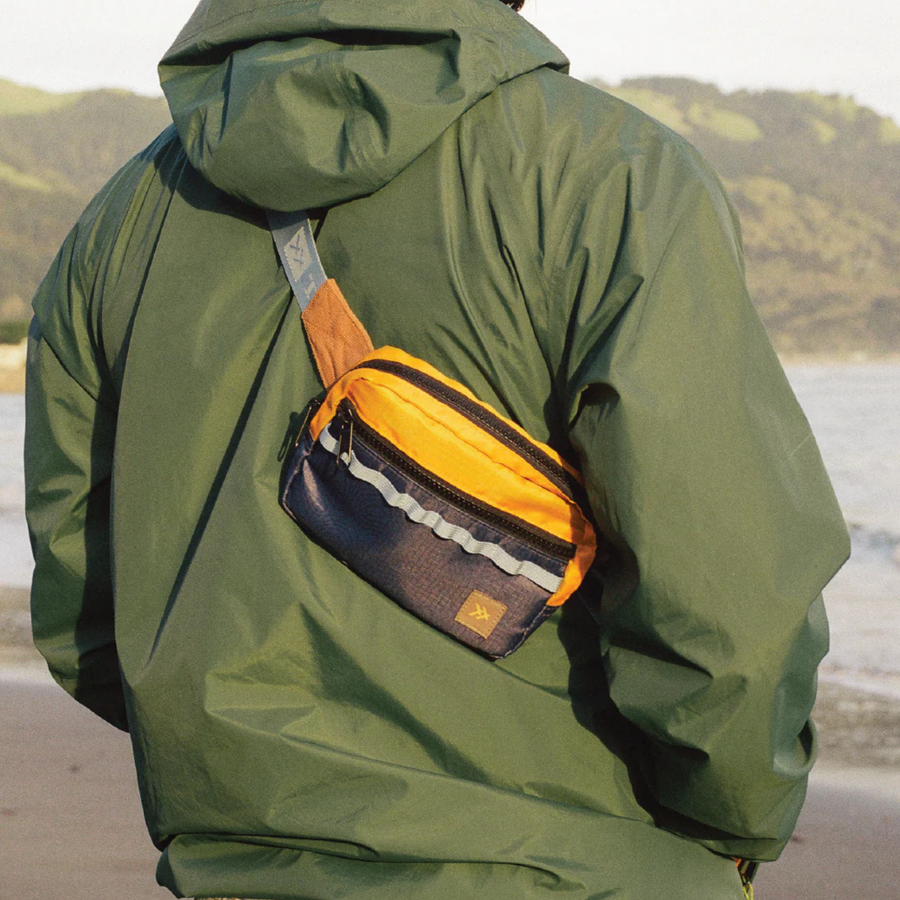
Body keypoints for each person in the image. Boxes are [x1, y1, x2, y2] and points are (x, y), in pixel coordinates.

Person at [25, 1, 850, 898]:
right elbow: (724, 609)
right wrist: (734, 820)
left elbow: (84, 613)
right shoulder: (612, 176)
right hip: (570, 868)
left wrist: (249, 780)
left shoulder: (116, 227)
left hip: (233, 866)